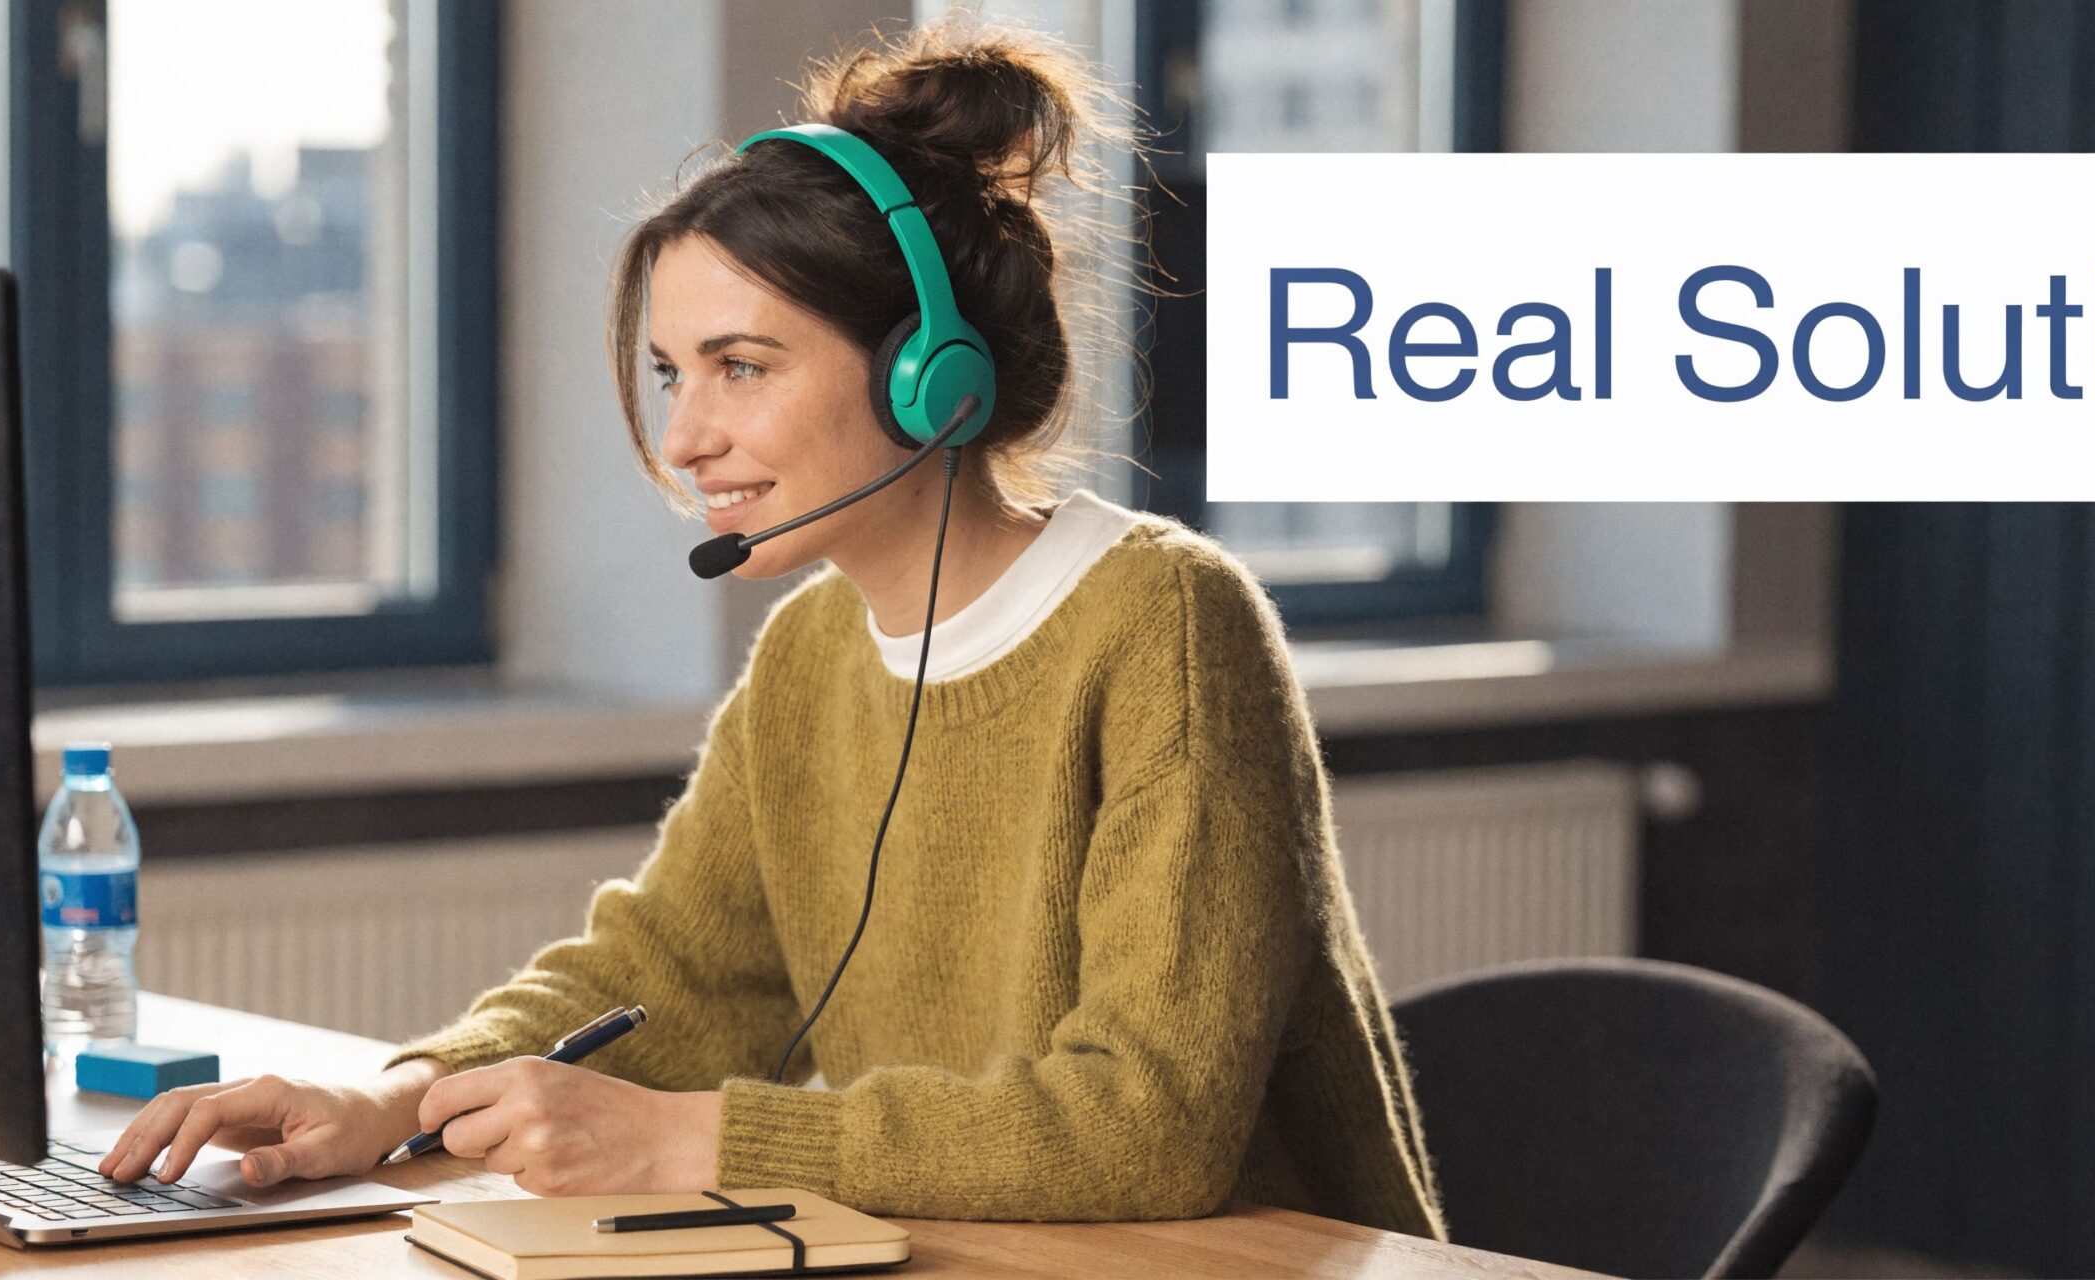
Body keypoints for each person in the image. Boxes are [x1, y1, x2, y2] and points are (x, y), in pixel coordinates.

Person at [95, 12, 1445, 1240]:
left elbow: (1146, 1125)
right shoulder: (809, 653)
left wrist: (690, 1139)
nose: (687, 436)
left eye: (742, 367)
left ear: (930, 379)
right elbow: (670, 974)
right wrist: (396, 1100)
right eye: (672, 374)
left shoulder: (1168, 626)